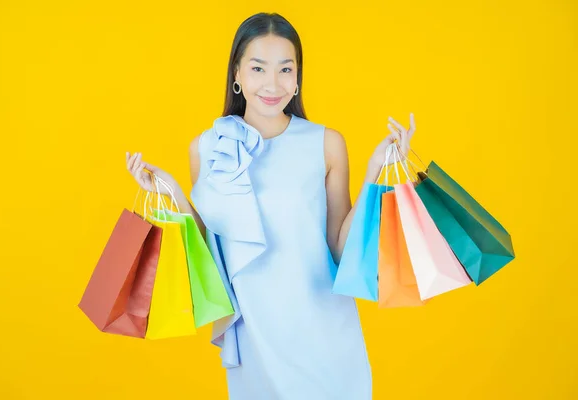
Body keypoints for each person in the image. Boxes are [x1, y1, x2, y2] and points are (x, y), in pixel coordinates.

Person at [126, 12, 416, 400]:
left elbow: (339, 248)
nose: (272, 83)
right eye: (258, 68)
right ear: (237, 74)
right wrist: (172, 193)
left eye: (285, 69)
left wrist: (374, 173)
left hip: (324, 332)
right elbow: (209, 256)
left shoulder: (326, 143)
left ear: (297, 79)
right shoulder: (207, 148)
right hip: (255, 336)